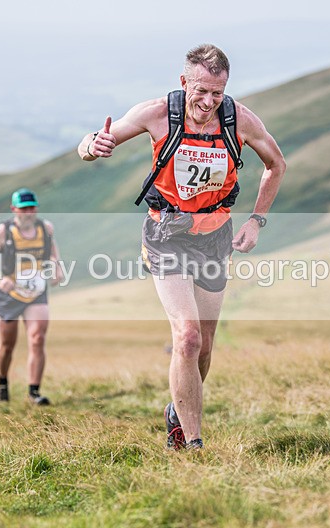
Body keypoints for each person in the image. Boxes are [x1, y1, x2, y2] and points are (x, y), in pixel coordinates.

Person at [77, 44, 286, 450]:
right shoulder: (157, 114)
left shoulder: (238, 119)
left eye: (218, 93)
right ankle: (192, 443)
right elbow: (94, 140)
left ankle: (178, 406)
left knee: (204, 346)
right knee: (186, 338)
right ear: (184, 83)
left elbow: (276, 164)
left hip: (215, 237)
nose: (208, 103)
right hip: (165, 234)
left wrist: (256, 221)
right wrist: (91, 147)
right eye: (201, 91)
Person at [0, 188, 63, 405]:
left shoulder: (46, 228)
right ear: (14, 209)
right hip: (9, 295)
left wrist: (57, 267)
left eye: (32, 208)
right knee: (7, 345)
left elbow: (52, 252)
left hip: (36, 292)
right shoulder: (2, 232)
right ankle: (2, 383)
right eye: (23, 209)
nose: (28, 213)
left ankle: (34, 392)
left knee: (37, 338)